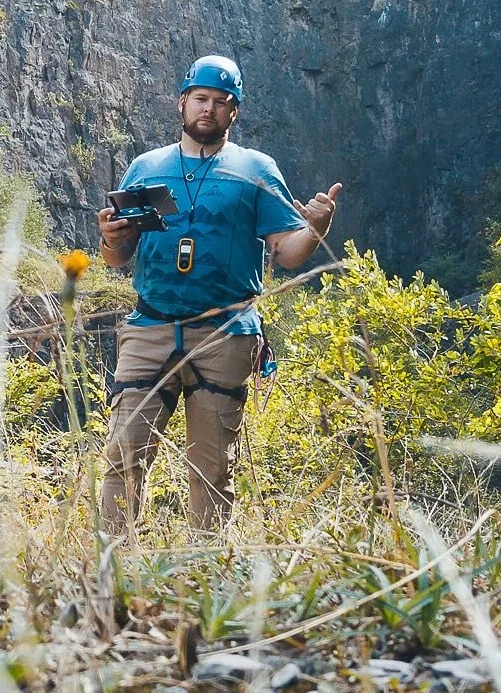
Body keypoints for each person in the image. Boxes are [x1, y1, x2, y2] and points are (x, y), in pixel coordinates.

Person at [97, 54, 341, 532]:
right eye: (200, 99)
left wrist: (315, 229)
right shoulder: (146, 168)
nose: (208, 109)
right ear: (182, 103)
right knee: (123, 457)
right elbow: (118, 256)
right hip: (150, 326)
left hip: (226, 334)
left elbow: (286, 254)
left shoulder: (256, 169)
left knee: (211, 471)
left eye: (220, 102)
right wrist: (110, 236)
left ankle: (203, 576)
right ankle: (111, 569)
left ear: (235, 112)